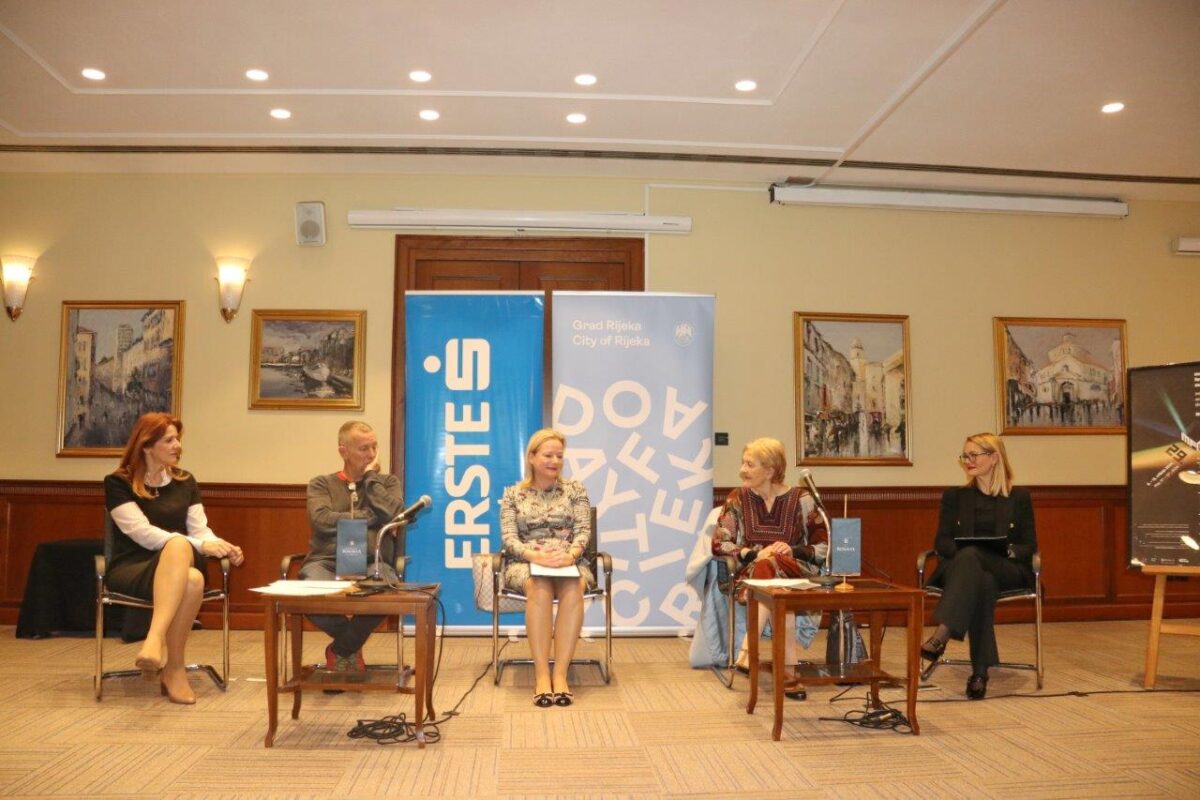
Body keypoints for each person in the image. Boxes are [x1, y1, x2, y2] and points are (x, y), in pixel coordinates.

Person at [103, 412, 244, 705]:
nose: (177, 446)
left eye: (177, 439)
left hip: (179, 563)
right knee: (190, 575)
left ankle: (160, 648)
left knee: (184, 559)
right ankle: (171, 663)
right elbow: (142, 534)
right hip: (134, 567)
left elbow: (200, 529)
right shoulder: (118, 482)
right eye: (169, 440)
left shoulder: (185, 481)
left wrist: (221, 545)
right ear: (146, 445)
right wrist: (201, 546)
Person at [922, 432, 1037, 700]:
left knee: (975, 559)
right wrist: (964, 553)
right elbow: (941, 541)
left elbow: (1030, 545)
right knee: (980, 578)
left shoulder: (1019, 497)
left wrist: (1008, 550)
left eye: (974, 455)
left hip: (1006, 568)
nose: (968, 461)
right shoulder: (955, 496)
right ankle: (979, 673)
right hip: (963, 571)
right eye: (965, 455)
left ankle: (942, 633)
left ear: (994, 457)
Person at [712, 437, 828, 700]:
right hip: (752, 574)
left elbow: (823, 547)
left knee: (773, 564)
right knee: (772, 576)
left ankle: (747, 650)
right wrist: (754, 553)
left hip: (797, 571)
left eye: (749, 464)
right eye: (743, 463)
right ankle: (788, 672)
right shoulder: (737, 498)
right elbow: (720, 543)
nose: (742, 469)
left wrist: (792, 550)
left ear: (770, 471)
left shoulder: (802, 499)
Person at [302, 421, 405, 675]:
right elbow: (320, 520)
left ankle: (341, 649)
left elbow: (394, 513)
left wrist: (370, 479)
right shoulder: (321, 484)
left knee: (385, 593)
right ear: (343, 451)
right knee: (307, 594)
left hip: (373, 561)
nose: (371, 455)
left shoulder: (387, 483)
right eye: (363, 449)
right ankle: (351, 644)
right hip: (327, 560)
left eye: (374, 447)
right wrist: (370, 517)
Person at [499, 429, 593, 708]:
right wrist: (534, 556)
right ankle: (542, 675)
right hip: (526, 562)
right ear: (531, 457)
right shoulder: (513, 494)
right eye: (548, 455)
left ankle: (560, 675)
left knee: (573, 586)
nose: (555, 461)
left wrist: (571, 555)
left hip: (570, 561)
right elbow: (509, 539)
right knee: (538, 586)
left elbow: (583, 531)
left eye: (559, 456)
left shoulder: (575, 490)